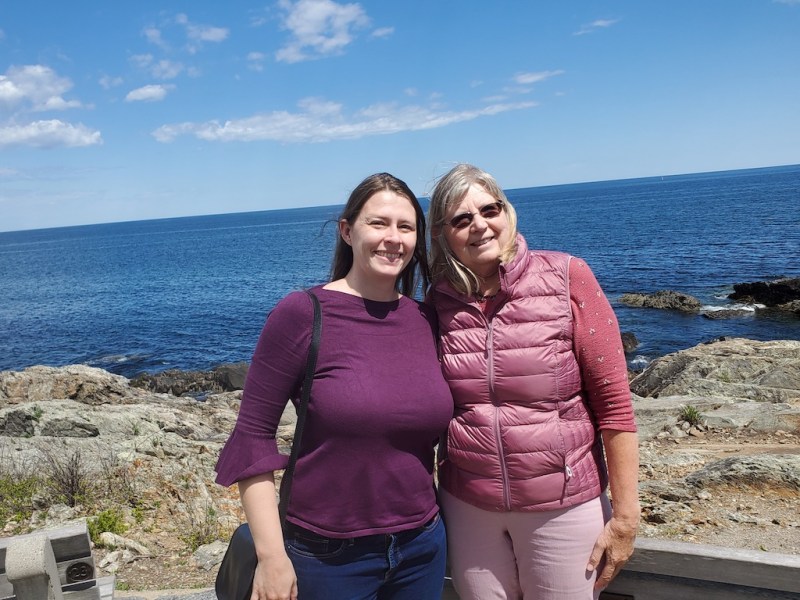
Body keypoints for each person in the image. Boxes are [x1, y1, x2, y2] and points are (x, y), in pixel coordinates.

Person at [215, 173, 454, 600]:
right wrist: (272, 558)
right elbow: (251, 439)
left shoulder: (426, 319)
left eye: (406, 227)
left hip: (422, 544)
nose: (393, 238)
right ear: (347, 230)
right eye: (378, 223)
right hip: (326, 556)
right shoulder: (302, 313)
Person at [426, 164, 640, 600]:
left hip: (563, 506)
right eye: (461, 219)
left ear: (508, 211)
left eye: (490, 209)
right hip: (468, 509)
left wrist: (626, 517)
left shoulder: (566, 276)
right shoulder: (437, 301)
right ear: (442, 234)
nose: (479, 225)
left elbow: (615, 405)